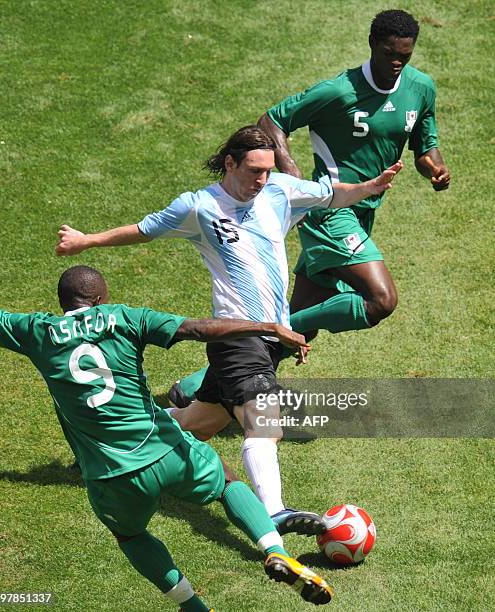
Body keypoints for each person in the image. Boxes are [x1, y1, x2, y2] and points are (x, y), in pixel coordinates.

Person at [56, 125, 402, 536]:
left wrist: (368, 187)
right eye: (253, 170)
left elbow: (331, 195)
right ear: (230, 163)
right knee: (264, 423)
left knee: (196, 422)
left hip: (269, 339)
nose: (262, 179)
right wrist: (86, 241)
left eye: (268, 170)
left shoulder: (280, 191)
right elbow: (144, 230)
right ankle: (273, 510)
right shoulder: (199, 207)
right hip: (237, 335)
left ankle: (102, 438)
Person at [0, 265, 334, 609]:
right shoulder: (124, 318)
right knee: (227, 482)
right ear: (99, 299)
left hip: (110, 475)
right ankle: (276, 552)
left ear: (63, 302)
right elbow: (197, 329)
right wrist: (268, 327)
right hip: (164, 449)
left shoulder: (35, 331)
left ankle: (194, 607)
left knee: (130, 534)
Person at [257, 8, 450, 342]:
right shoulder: (339, 91)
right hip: (330, 210)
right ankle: (277, 329)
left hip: (363, 214)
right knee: (382, 299)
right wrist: (291, 171)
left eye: (404, 57)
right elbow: (272, 121)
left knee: (301, 331)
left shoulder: (421, 88)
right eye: (389, 54)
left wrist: (435, 168)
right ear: (372, 43)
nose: (396, 64)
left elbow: (425, 149)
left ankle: (195, 389)